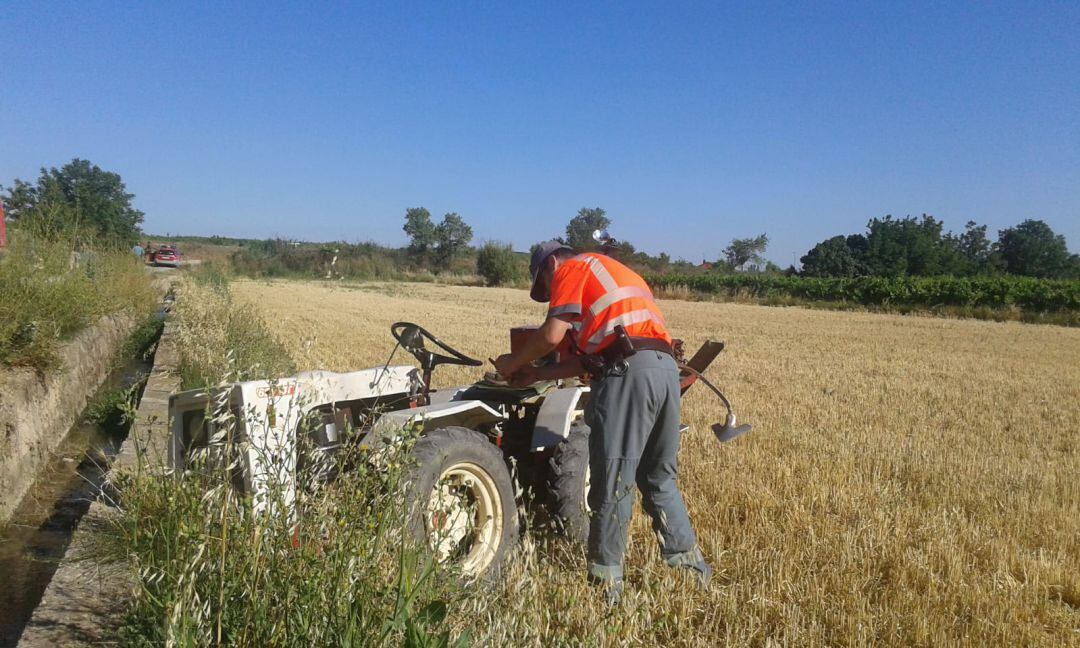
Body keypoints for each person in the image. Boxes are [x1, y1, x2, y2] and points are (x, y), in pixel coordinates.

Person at [494, 241, 711, 605]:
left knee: (612, 480)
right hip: (663, 371)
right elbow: (588, 362)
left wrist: (513, 363)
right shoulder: (612, 273)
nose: (551, 295)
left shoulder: (572, 268)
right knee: (658, 478)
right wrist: (534, 374)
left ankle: (604, 585)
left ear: (550, 265)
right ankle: (692, 572)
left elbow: (550, 335)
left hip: (628, 374)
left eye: (546, 288)